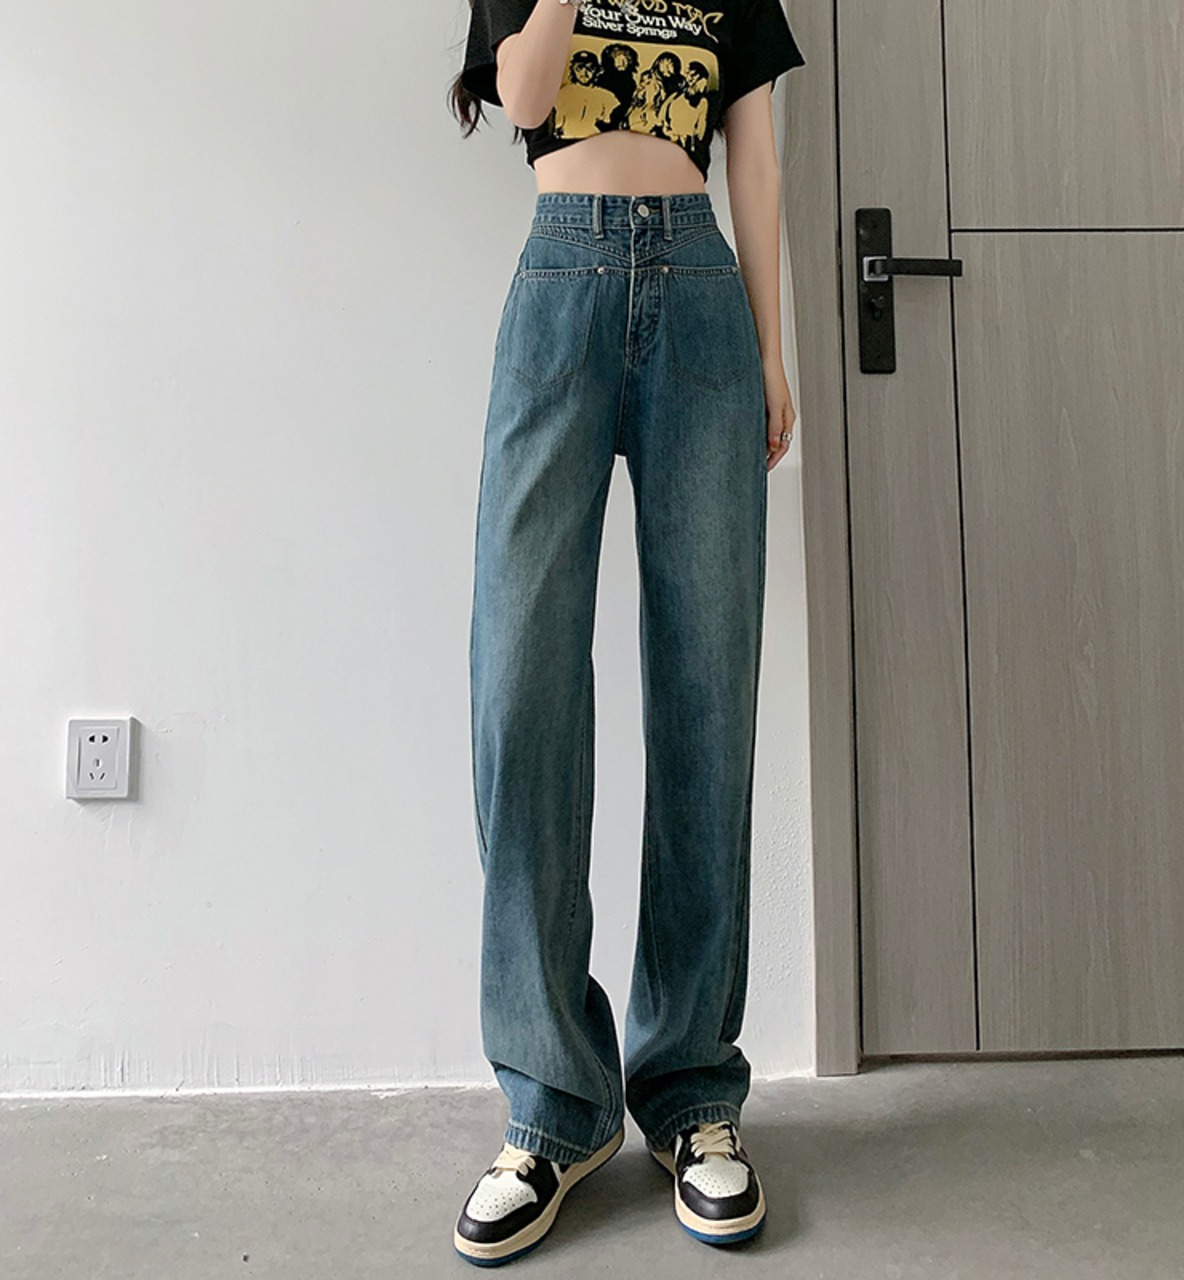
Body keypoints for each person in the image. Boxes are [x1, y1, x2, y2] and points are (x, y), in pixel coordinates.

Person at [447, 0, 804, 1264]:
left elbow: (753, 157)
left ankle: (691, 1089)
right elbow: (526, 95)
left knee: (709, 688)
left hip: (701, 296)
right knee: (520, 689)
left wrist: (770, 348)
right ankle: (552, 1103)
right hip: (559, 283)